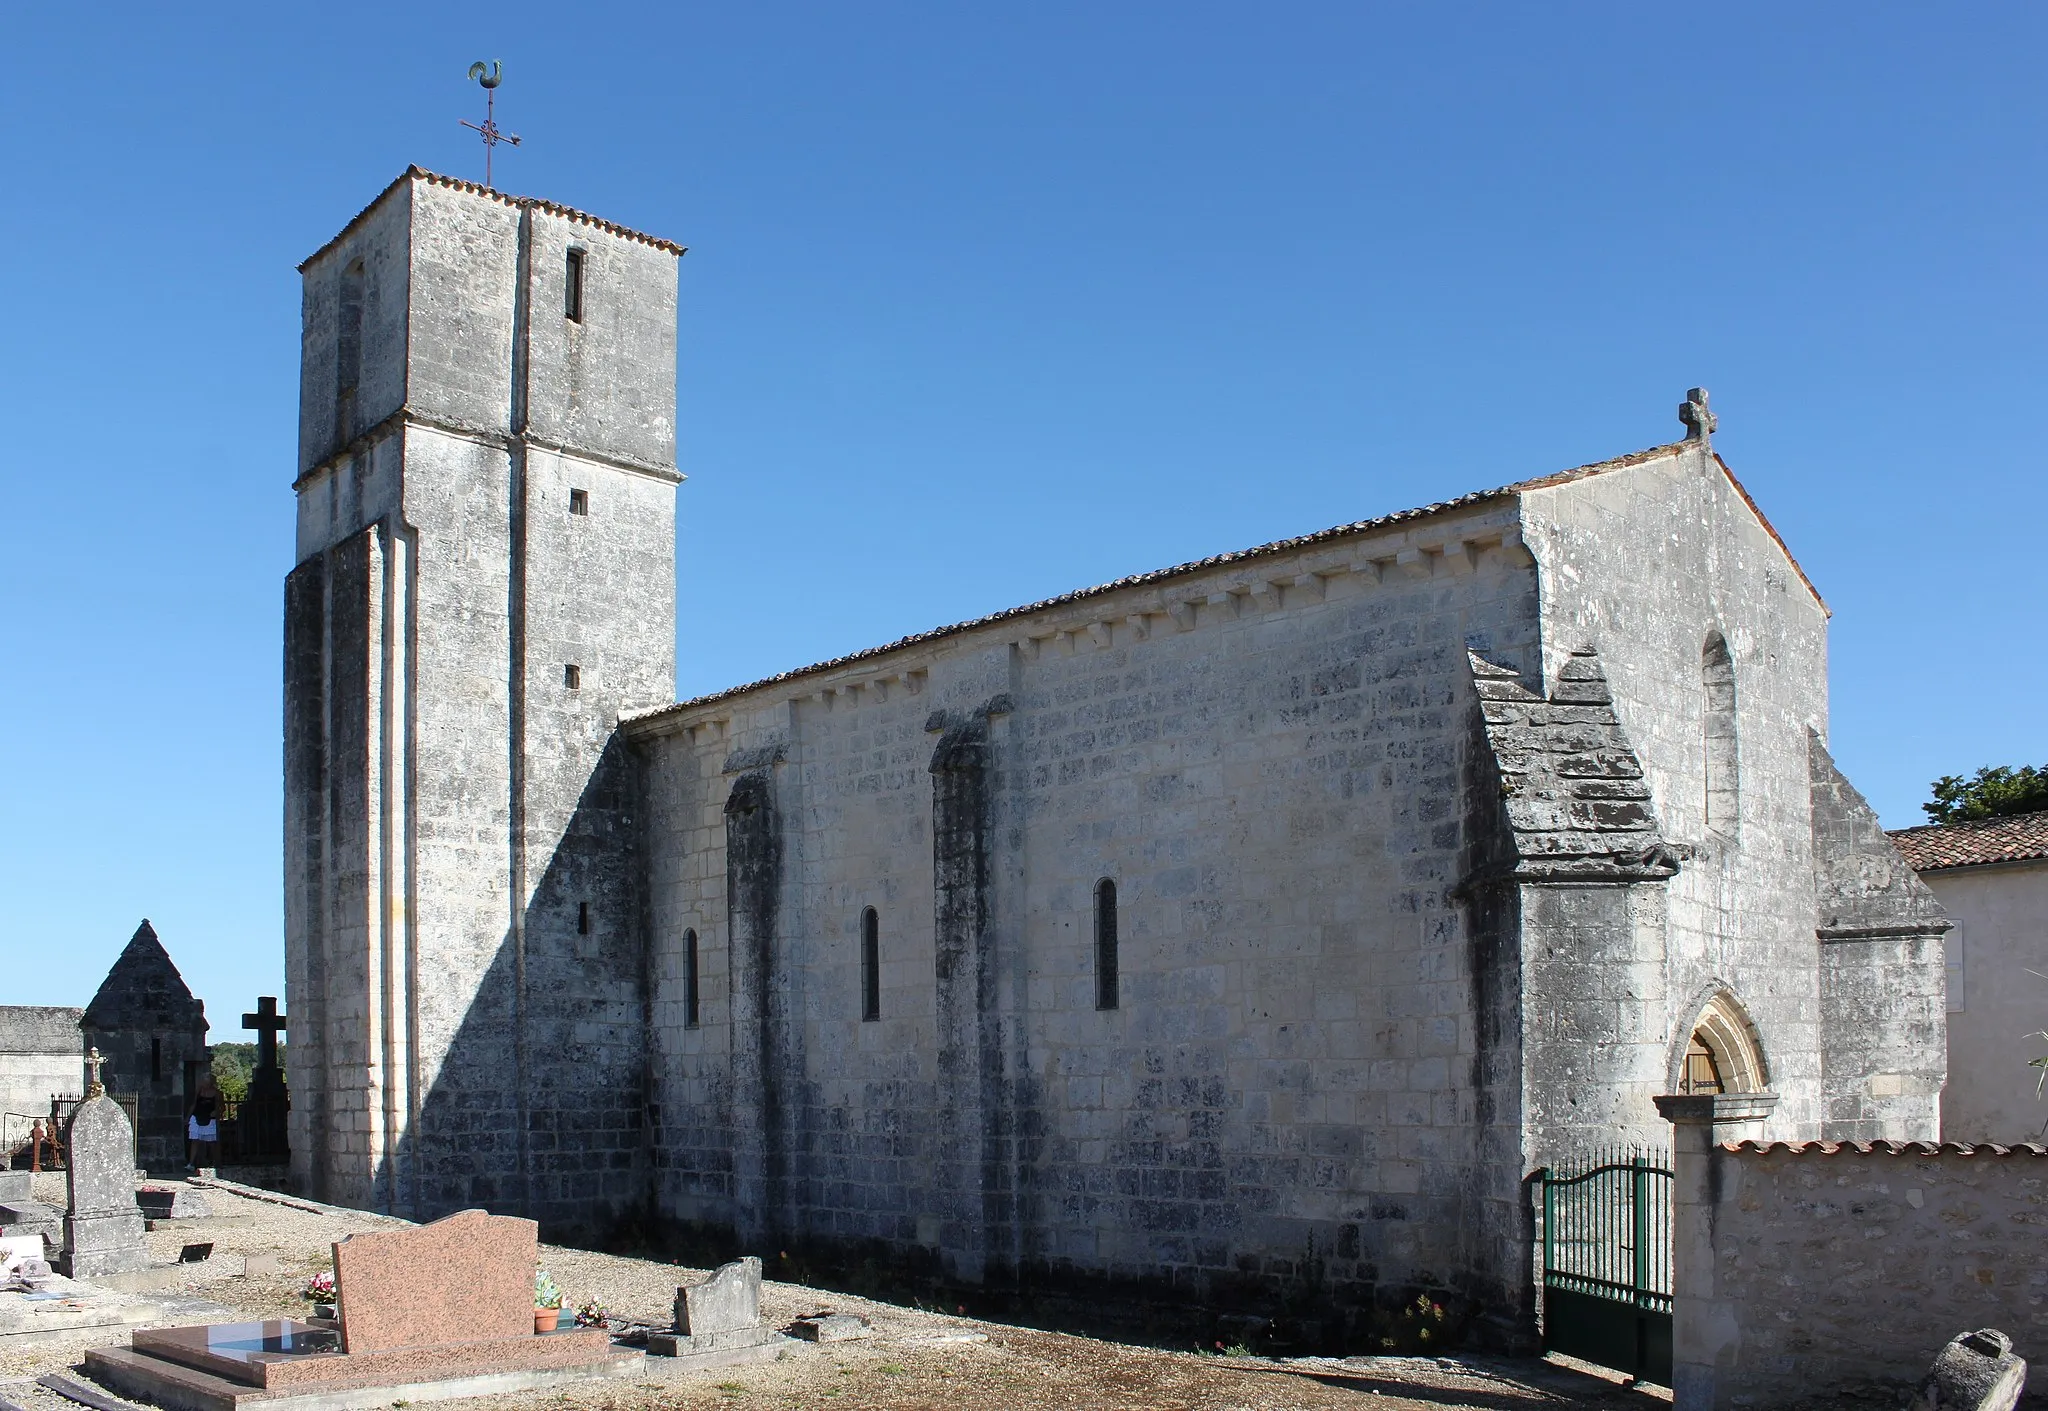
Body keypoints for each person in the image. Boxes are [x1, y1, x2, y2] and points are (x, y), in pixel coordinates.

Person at [186, 1072, 220, 1173]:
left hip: (210, 1119)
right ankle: (191, 1164)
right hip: (197, 1116)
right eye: (203, 1080)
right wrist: (188, 1117)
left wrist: (216, 1112)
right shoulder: (199, 1091)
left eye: (206, 1080)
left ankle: (214, 1162)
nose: (204, 1082)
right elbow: (193, 1104)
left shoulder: (217, 1093)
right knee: (195, 1140)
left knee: (211, 1143)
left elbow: (221, 1107)